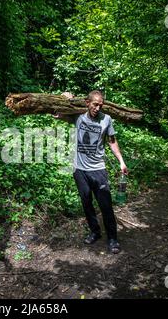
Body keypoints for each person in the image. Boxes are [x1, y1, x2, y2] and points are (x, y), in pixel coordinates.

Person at [54, 90, 128, 254]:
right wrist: (65, 98)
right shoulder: (77, 116)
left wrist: (121, 161)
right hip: (79, 170)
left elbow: (112, 141)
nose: (97, 108)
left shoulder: (106, 119)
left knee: (106, 205)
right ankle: (95, 231)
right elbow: (57, 113)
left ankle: (112, 239)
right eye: (95, 104)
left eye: (100, 105)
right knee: (86, 203)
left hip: (98, 170)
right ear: (87, 103)